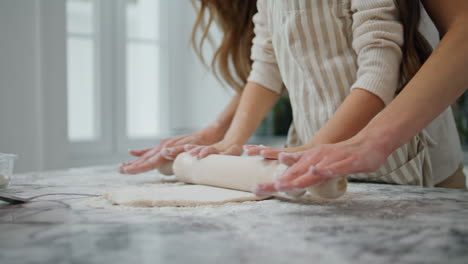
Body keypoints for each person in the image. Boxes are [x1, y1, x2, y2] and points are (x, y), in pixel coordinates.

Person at [120, 0, 466, 191]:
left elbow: (378, 72)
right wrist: (230, 140)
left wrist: (313, 148)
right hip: (320, 169)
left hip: (411, 172)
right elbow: (265, 67)